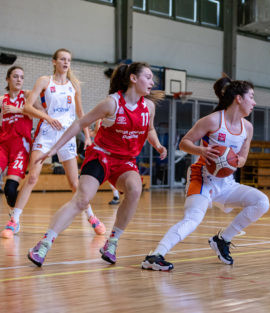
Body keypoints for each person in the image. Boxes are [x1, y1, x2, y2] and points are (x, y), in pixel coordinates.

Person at [27, 62, 167, 267]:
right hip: (101, 156)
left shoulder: (149, 107)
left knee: (135, 189)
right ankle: (44, 243)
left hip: (125, 161)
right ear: (133, 79)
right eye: (148, 77)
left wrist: (158, 145)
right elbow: (79, 123)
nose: (152, 82)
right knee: (82, 200)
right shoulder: (112, 103)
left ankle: (112, 243)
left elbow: (150, 129)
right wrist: (55, 149)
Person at [141, 75, 270, 271]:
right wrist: (202, 151)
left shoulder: (248, 128)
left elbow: (242, 159)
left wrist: (230, 160)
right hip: (203, 179)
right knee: (192, 219)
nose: (254, 102)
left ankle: (222, 240)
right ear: (238, 98)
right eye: (251, 97)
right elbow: (185, 143)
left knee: (262, 202)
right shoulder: (212, 121)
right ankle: (155, 255)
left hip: (227, 183)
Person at [1, 49, 106, 238]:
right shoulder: (44, 81)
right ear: (54, 61)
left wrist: (87, 136)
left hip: (67, 136)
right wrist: (47, 117)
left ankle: (92, 217)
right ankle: (14, 221)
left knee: (75, 183)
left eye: (69, 60)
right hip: (46, 134)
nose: (66, 63)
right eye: (63, 59)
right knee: (32, 177)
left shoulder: (74, 86)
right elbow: (27, 106)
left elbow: (81, 114)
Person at [0, 66, 42, 238]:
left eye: (21, 77)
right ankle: (13, 218)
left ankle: (14, 219)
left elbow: (41, 114)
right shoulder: (2, 99)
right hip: (3, 145)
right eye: (15, 76)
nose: (19, 80)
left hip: (20, 147)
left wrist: (19, 110)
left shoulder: (27, 96)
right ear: (8, 79)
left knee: (10, 189)